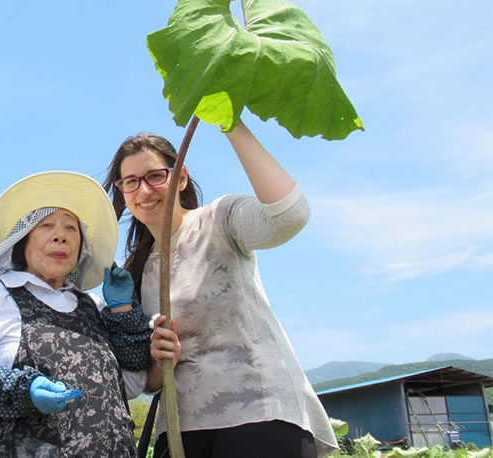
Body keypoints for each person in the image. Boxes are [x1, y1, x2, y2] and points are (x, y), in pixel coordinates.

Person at [103, 122, 338, 457]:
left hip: (259, 413)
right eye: (131, 182)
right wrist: (161, 356)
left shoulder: (219, 220)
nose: (144, 191)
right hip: (181, 430)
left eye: (155, 176)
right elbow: (150, 383)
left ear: (180, 177)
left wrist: (231, 125)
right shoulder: (133, 275)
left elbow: (290, 216)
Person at [0, 171, 159, 457]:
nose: (60, 236)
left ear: (81, 246)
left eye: (71, 228)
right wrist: (20, 390)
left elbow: (130, 386)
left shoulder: (92, 307)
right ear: (23, 239)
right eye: (46, 226)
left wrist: (123, 312)